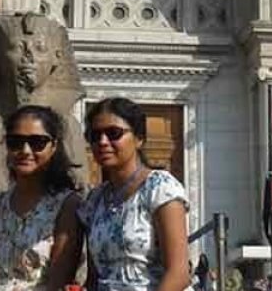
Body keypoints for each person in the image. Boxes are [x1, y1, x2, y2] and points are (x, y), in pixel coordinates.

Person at [79, 98, 190, 291]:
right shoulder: (95, 200)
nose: (103, 142)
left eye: (114, 133)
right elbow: (94, 276)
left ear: (139, 138)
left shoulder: (160, 187)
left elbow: (179, 273)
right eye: (95, 135)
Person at [0, 105, 82, 291]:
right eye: (15, 142)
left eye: (37, 142)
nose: (25, 150)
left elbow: (58, 282)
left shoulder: (67, 206)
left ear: (54, 146)